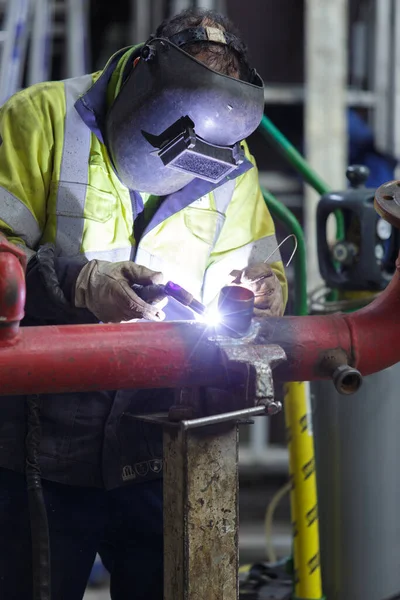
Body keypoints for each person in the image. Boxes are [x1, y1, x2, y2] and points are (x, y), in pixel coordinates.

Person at [0, 7, 287, 599]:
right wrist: (81, 283)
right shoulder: (41, 118)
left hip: (163, 445)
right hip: (40, 449)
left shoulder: (230, 161)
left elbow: (256, 259)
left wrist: (263, 286)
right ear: (143, 86)